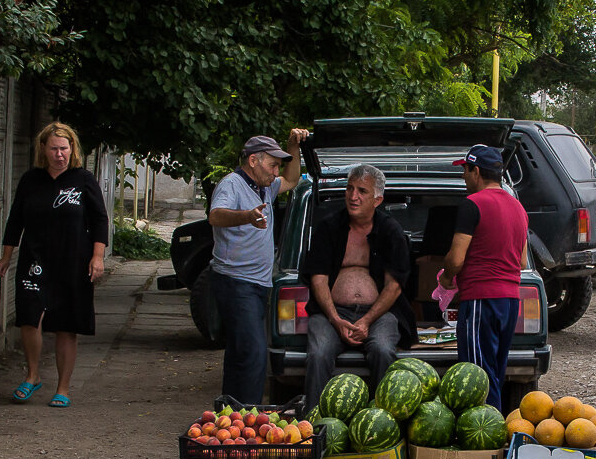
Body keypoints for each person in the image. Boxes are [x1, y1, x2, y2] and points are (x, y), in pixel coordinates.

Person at [0, 122, 109, 408]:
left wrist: (98, 257)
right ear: (43, 150)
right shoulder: (30, 181)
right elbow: (15, 220)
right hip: (35, 258)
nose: (59, 154)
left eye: (64, 148)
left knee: (66, 325)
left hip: (73, 260)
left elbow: (99, 220)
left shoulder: (83, 179)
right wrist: (7, 255)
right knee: (29, 316)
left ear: (72, 150)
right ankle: (32, 375)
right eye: (54, 148)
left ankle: (63, 388)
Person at [301, 164, 415, 411]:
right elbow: (318, 278)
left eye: (362, 191)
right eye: (350, 188)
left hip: (379, 315)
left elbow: (394, 286)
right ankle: (312, 425)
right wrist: (334, 319)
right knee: (318, 353)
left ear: (377, 200)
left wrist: (366, 320)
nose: (353, 196)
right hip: (331, 313)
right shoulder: (329, 227)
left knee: (383, 350)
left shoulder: (390, 230)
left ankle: (381, 420)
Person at [208, 131, 308, 405]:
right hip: (236, 281)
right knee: (253, 352)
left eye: (277, 165)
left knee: (241, 351)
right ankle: (249, 416)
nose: (276, 171)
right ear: (253, 160)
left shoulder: (264, 186)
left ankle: (230, 414)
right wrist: (247, 216)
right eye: (272, 164)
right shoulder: (232, 184)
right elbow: (215, 215)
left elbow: (291, 179)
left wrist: (292, 148)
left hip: (256, 284)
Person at [439, 144, 529, 411]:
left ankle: (487, 438)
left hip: (481, 300)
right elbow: (522, 261)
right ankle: (494, 431)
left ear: (476, 171)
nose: (464, 177)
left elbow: (456, 260)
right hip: (510, 301)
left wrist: (446, 279)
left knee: (477, 375)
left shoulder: (472, 204)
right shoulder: (518, 208)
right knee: (495, 372)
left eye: (465, 170)